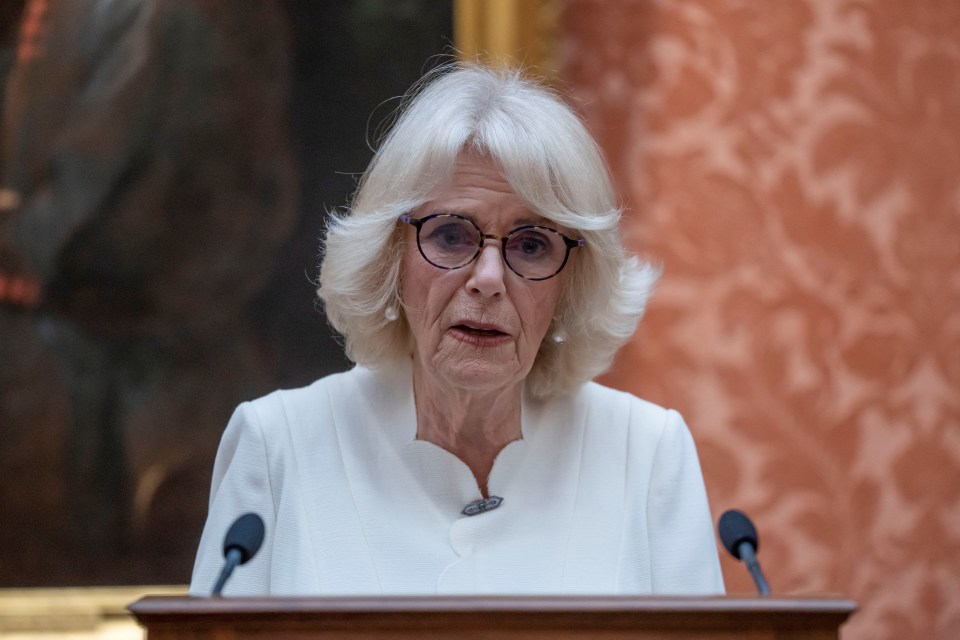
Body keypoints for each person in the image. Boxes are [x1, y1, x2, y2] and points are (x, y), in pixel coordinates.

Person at [189, 64, 725, 596]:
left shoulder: (648, 454)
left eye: (532, 244)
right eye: (450, 236)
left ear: (572, 284)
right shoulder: (276, 445)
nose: (489, 279)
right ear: (390, 258)